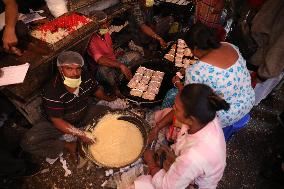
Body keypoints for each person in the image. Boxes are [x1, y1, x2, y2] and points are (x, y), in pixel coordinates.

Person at [130, 84, 227, 189]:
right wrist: (157, 128)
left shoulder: (193, 157)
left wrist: (151, 162)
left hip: (192, 184)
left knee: (138, 184)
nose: (173, 109)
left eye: (176, 109)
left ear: (190, 119)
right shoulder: (206, 116)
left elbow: (166, 186)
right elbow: (176, 114)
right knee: (165, 114)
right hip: (192, 163)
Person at [21, 51, 114, 158]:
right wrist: (81, 134)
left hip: (83, 113)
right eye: (69, 68)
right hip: (59, 123)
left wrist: (110, 99)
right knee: (29, 141)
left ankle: (94, 136)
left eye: (78, 68)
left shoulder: (85, 77)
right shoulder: (51, 90)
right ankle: (68, 145)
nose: (75, 73)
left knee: (109, 112)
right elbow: (57, 121)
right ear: (60, 69)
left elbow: (96, 90)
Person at [162, 23, 255, 128]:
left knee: (171, 94)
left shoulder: (196, 71)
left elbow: (191, 99)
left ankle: (169, 128)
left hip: (226, 114)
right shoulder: (230, 46)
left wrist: (177, 83)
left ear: (196, 48)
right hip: (248, 100)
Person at [88, 11, 133, 97]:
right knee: (103, 70)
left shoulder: (105, 33)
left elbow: (110, 50)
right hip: (102, 68)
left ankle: (126, 77)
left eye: (106, 23)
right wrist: (121, 66)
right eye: (101, 25)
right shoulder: (91, 40)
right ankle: (114, 89)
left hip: (114, 60)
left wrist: (117, 56)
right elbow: (100, 60)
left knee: (135, 56)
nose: (105, 26)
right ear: (94, 27)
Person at [247, 0, 284, 105]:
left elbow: (259, 26)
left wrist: (264, 74)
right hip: (265, 66)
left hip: (263, 66)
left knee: (244, 100)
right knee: (246, 102)